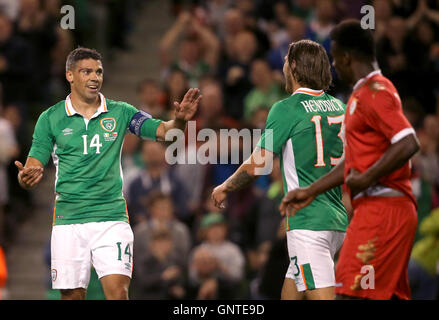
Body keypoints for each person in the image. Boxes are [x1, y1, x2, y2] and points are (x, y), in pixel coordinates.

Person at [14, 47, 201, 300]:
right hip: (69, 220)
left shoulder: (121, 112)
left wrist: (179, 121)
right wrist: (26, 177)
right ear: (70, 75)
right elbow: (32, 165)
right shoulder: (50, 118)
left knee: (118, 293)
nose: (95, 77)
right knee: (72, 296)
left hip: (111, 217)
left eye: (99, 72)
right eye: (87, 71)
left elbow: (163, 132)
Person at [280, 20, 420, 300]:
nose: (334, 65)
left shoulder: (375, 92)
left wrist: (367, 177)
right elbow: (353, 161)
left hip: (383, 209)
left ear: (346, 57)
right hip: (377, 207)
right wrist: (310, 190)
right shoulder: (358, 96)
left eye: (335, 57)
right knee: (381, 294)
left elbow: (408, 141)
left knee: (348, 293)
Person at [212, 39, 348, 300]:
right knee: (291, 291)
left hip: (308, 223)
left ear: (294, 65)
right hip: (337, 221)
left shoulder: (287, 108)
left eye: (286, 60)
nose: (283, 65)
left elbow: (259, 163)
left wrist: (225, 186)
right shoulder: (340, 107)